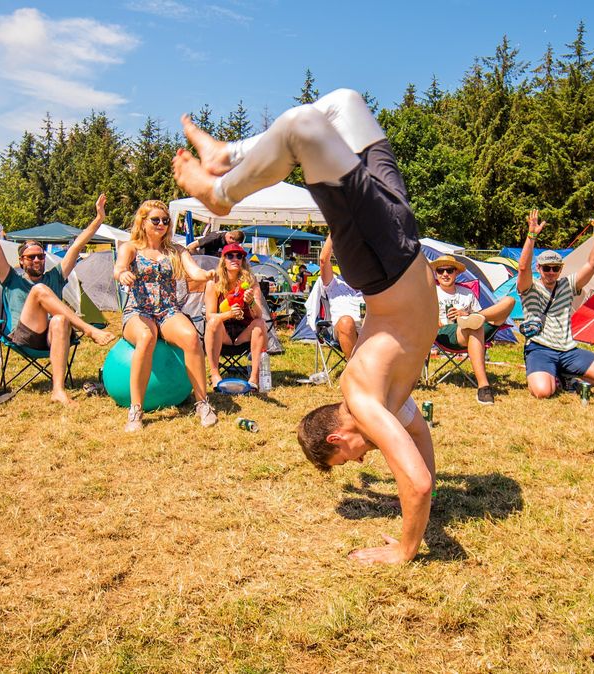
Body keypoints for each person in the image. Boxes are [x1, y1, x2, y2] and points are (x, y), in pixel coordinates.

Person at [174, 88, 437, 565]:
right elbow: (422, 448)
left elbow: (415, 481)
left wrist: (404, 550)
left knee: (303, 126)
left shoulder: (362, 398)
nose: (363, 459)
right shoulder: (388, 405)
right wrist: (424, 513)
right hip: (404, 244)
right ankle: (226, 156)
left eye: (351, 458)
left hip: (384, 263)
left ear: (338, 437)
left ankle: (221, 192)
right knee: (343, 101)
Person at [0, 183, 115, 406]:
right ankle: (88, 329)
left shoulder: (54, 276)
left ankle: (58, 389)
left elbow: (77, 245)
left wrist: (99, 218)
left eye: (40, 256)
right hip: (25, 335)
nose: (37, 260)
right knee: (39, 291)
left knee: (59, 319)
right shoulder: (12, 278)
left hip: (53, 336)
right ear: (21, 261)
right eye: (31, 257)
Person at [114, 200, 218, 431]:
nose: (161, 224)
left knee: (192, 338)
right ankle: (136, 410)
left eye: (165, 220)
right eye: (156, 220)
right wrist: (122, 274)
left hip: (168, 310)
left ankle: (202, 403)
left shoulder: (176, 250)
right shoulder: (131, 248)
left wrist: (207, 274)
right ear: (143, 222)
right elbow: (119, 268)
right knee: (146, 338)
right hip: (138, 311)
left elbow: (194, 272)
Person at [517, 209, 594, 398]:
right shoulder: (529, 287)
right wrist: (531, 235)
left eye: (555, 268)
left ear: (560, 269)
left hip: (568, 350)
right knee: (543, 392)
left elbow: (592, 265)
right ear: (538, 268)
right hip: (539, 348)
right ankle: (556, 377)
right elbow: (522, 267)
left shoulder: (569, 284)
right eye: (546, 268)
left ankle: (565, 376)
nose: (550, 272)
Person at [430, 254, 514, 404]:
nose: (445, 274)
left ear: (456, 272)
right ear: (436, 273)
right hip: (447, 333)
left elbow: (484, 318)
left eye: (449, 270)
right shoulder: (430, 292)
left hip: (473, 327)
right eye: (440, 271)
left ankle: (472, 318)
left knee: (509, 301)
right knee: (474, 325)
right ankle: (483, 387)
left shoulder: (467, 293)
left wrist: (467, 314)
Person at [204, 242, 268, 389]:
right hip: (223, 333)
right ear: (223, 260)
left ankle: (254, 378)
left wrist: (251, 302)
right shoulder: (214, 283)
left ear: (243, 261)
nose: (235, 259)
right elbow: (210, 315)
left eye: (239, 256)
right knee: (213, 322)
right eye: (230, 256)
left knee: (259, 323)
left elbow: (258, 314)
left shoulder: (251, 282)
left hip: (244, 334)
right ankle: (214, 374)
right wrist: (229, 314)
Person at [317, 234, 363, 358]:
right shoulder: (334, 284)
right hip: (343, 329)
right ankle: (355, 371)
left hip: (370, 328)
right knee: (346, 322)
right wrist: (336, 225)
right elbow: (323, 260)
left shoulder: (370, 285)